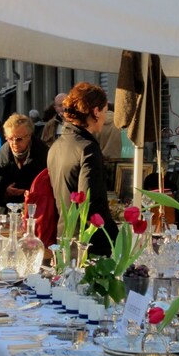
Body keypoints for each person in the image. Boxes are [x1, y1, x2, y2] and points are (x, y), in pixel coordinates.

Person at [47, 82, 118, 256]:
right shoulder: (87, 148)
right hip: (88, 244)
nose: (104, 115)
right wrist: (115, 237)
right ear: (95, 111)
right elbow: (91, 203)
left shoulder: (56, 146)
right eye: (104, 110)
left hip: (65, 236)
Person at [0, 114, 48, 212]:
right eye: (10, 138)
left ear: (29, 136)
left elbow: (51, 189)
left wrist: (30, 192)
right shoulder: (0, 158)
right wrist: (5, 193)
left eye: (19, 139)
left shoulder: (44, 155)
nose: (14, 143)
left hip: (36, 214)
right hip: (6, 216)